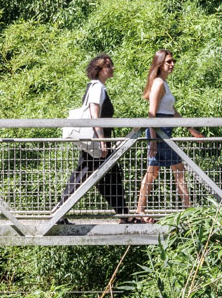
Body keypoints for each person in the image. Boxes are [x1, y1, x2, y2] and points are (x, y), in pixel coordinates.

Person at [59, 55, 137, 221]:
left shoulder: (97, 87)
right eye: (108, 66)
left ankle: (124, 215)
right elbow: (95, 116)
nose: (112, 68)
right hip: (97, 144)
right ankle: (59, 213)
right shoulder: (97, 88)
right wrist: (102, 143)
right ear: (99, 70)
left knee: (108, 178)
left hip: (97, 143)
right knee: (84, 176)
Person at [134, 48, 204, 219]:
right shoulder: (158, 83)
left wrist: (191, 129)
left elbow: (172, 110)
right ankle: (141, 210)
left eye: (173, 61)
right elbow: (152, 113)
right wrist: (153, 141)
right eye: (168, 62)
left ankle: (187, 209)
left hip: (166, 132)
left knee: (170, 170)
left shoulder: (164, 83)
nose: (172, 64)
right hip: (158, 132)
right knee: (156, 171)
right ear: (160, 64)